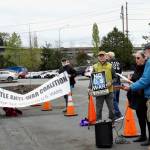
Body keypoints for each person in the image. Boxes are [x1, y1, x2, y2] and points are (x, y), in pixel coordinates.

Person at [123, 44, 150, 146]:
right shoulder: (137, 67)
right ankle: (143, 135)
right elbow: (136, 79)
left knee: (148, 118)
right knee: (140, 116)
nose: (136, 60)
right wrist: (130, 79)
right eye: (135, 58)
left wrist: (131, 85)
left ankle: (148, 138)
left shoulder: (146, 66)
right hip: (137, 96)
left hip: (144, 96)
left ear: (144, 58)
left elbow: (144, 80)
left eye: (138, 58)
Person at [88, 51, 116, 122]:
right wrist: (89, 88)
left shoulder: (110, 65)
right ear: (98, 57)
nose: (102, 57)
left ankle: (111, 121)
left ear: (106, 56)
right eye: (100, 56)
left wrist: (111, 82)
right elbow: (92, 78)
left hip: (109, 91)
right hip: (99, 91)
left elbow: (115, 77)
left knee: (111, 108)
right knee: (99, 108)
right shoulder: (95, 66)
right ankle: (99, 121)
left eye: (103, 56)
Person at [107, 51, 122, 119]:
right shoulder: (118, 62)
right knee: (116, 98)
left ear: (110, 56)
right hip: (118, 81)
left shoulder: (109, 63)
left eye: (107, 56)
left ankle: (117, 113)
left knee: (113, 99)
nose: (106, 57)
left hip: (113, 82)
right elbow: (120, 71)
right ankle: (115, 112)